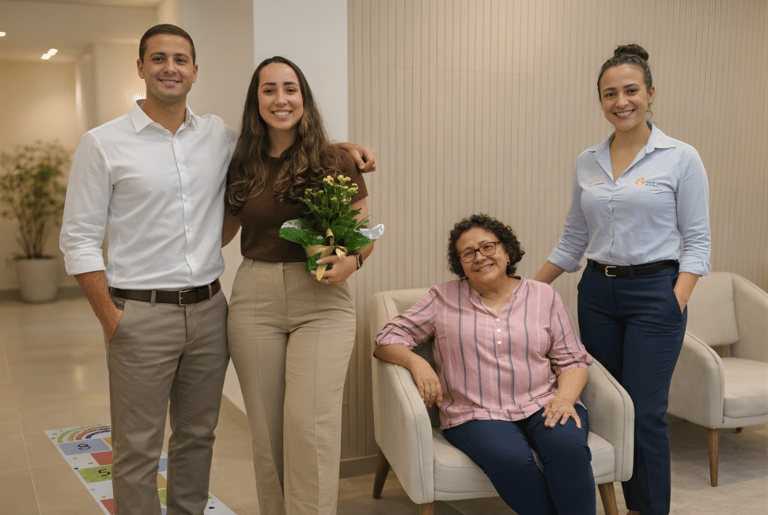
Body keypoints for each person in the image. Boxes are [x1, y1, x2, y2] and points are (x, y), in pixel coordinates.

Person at [60, 26, 375, 515]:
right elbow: (77, 241)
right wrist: (111, 317)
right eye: (159, 58)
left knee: (196, 439)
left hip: (209, 309)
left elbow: (289, 144)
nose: (170, 68)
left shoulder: (220, 140)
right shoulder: (103, 144)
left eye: (180, 59)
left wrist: (344, 149)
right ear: (140, 68)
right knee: (139, 449)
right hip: (142, 312)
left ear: (194, 71)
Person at [534, 44, 710, 515]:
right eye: (609, 94)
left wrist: (675, 301)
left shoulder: (680, 157)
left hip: (656, 292)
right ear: (601, 101)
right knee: (612, 406)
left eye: (631, 91)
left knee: (647, 413)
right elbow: (574, 238)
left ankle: (649, 509)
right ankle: (621, 504)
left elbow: (697, 242)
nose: (621, 102)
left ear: (650, 93)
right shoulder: (587, 160)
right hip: (596, 294)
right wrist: (530, 289)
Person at [223, 56, 376, 515]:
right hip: (254, 298)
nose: (280, 99)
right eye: (268, 89)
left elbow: (363, 236)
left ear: (304, 97)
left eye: (290, 88)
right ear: (256, 101)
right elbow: (220, 235)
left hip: (322, 303)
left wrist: (352, 263)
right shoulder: (240, 163)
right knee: (267, 434)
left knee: (311, 428)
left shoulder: (335, 160)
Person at [374, 214, 595, 515]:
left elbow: (573, 359)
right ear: (460, 263)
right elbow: (386, 339)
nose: (479, 257)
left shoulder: (543, 295)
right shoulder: (442, 298)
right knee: (512, 459)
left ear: (506, 251)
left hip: (543, 401)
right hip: (474, 412)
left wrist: (565, 399)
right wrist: (417, 363)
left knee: (568, 448)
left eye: (487, 247)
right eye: (468, 253)